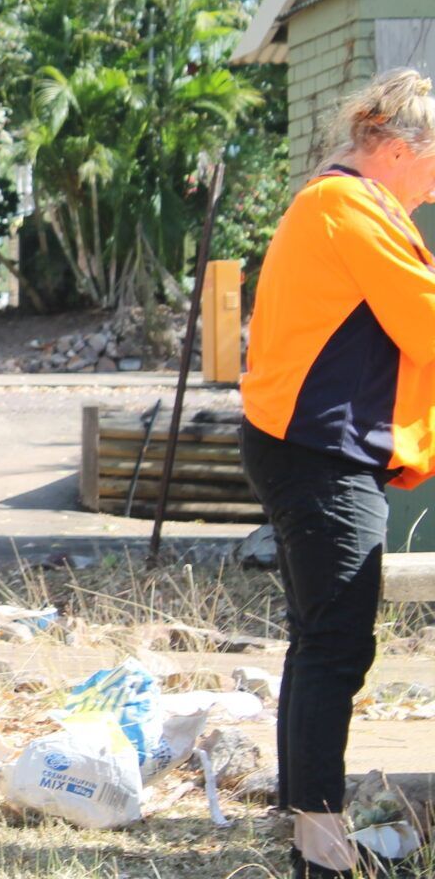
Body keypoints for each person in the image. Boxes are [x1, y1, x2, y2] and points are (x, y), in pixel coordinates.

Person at [239, 68, 435, 879]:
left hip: (309, 447)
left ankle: (309, 834)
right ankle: (320, 849)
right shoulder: (345, 206)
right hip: (319, 451)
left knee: (321, 644)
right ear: (393, 148)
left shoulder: (345, 205)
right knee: (334, 646)